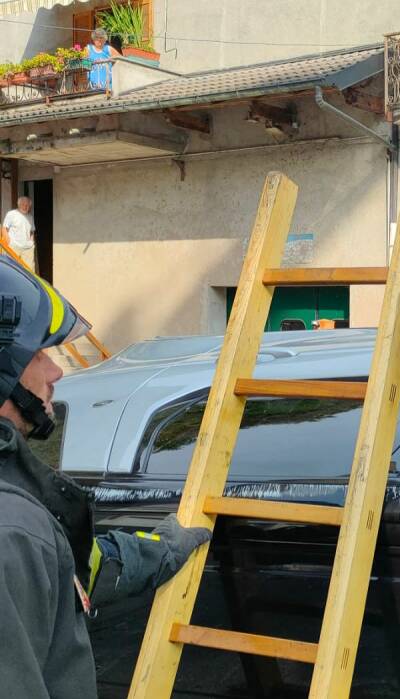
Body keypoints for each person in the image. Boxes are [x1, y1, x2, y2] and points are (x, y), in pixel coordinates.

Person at [0, 257, 211, 698]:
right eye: (38, 354)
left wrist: (162, 550)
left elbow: (78, 570)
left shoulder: (21, 525)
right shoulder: (12, 531)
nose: (56, 371)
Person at [2, 196, 36, 272]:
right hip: (13, 247)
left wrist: (31, 243)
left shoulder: (30, 217)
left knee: (30, 271)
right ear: (19, 204)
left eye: (27, 205)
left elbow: (32, 231)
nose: (25, 206)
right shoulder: (11, 214)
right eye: (23, 204)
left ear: (29, 206)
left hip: (27, 249)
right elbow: (4, 229)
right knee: (12, 270)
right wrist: (9, 243)